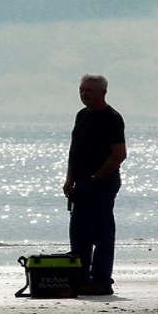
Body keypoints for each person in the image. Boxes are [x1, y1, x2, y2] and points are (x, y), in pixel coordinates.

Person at [62, 74, 127, 296]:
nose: (84, 94)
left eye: (89, 90)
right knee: (79, 232)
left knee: (101, 232)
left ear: (103, 93)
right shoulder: (82, 115)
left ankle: (101, 280)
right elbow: (74, 150)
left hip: (102, 182)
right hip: (80, 182)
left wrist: (97, 178)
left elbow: (119, 154)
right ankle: (80, 278)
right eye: (82, 90)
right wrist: (69, 178)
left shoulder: (111, 118)